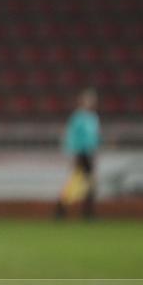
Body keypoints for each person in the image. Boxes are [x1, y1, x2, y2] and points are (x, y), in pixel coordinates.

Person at [55, 87, 102, 219]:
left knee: (88, 183)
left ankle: (85, 212)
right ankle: (63, 208)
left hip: (89, 154)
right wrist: (73, 153)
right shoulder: (78, 118)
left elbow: (95, 137)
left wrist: (95, 153)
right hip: (80, 154)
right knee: (80, 182)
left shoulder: (93, 117)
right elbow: (71, 137)